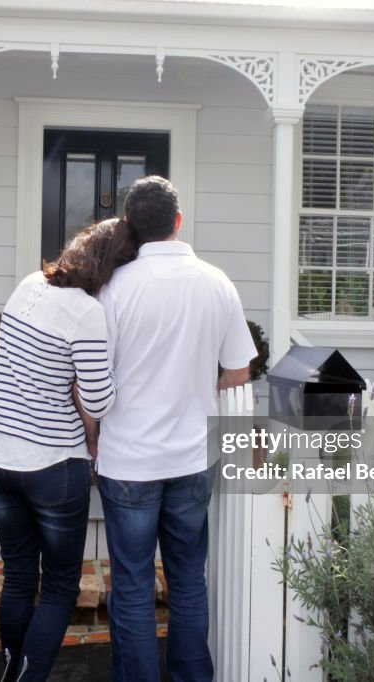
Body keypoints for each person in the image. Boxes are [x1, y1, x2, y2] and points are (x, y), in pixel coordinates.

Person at [96, 176, 257, 682]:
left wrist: (93, 437)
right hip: (192, 458)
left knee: (133, 584)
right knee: (188, 581)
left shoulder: (114, 289)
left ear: (130, 226)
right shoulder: (217, 282)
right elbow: (237, 372)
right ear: (178, 222)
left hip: (128, 461)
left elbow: (94, 379)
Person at [0, 218, 138, 682]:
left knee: (20, 576)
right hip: (49, 465)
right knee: (61, 585)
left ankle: (11, 674)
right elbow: (99, 400)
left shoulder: (28, 285)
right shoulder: (86, 313)